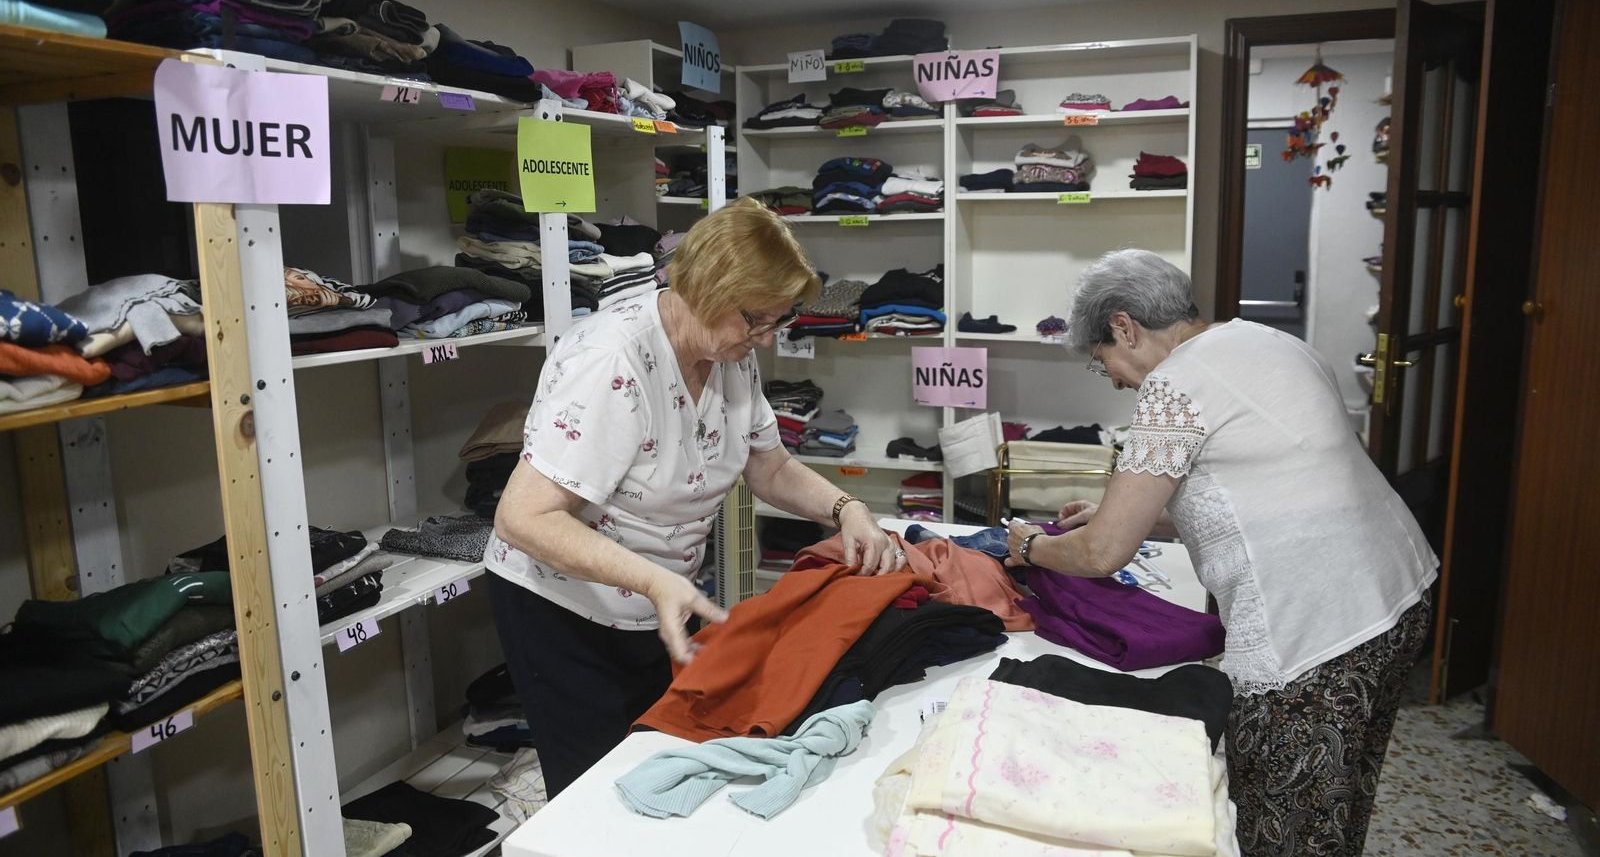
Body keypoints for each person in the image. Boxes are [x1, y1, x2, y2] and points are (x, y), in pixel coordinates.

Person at [1005, 249, 1437, 857]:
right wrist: (1128, 516)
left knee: (1281, 827)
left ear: (1124, 326)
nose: (1119, 381)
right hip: (1395, 594)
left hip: (1313, 635)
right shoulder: (1269, 341)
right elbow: (1264, 482)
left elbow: (1103, 554)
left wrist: (1033, 546)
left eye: (1103, 363)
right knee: (1340, 801)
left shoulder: (1174, 387)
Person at [484, 198, 903, 796]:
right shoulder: (611, 361)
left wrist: (847, 509)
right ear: (704, 288)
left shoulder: (727, 352)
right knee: (594, 797)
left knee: (653, 764)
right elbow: (522, 517)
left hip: (657, 599)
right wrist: (655, 581)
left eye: (776, 323)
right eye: (756, 320)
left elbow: (770, 466)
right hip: (565, 608)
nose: (763, 338)